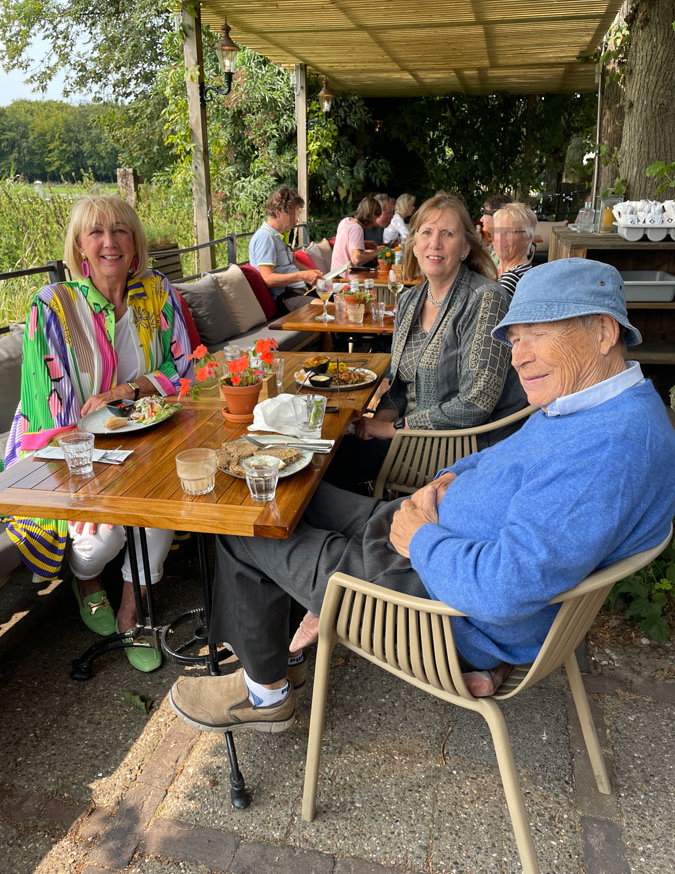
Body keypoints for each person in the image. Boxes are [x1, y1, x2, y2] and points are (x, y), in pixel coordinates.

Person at [169, 257, 675, 734]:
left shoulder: (612, 448)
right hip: (424, 538)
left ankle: (263, 694)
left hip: (431, 598)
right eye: (515, 339)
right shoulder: (591, 404)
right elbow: (496, 457)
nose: (518, 358)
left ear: (604, 332)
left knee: (242, 522)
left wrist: (422, 538)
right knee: (283, 490)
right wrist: (441, 482)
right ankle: (285, 655)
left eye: (537, 336)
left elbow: (502, 589)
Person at [3, 195, 193, 671]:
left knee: (163, 501)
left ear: (135, 243)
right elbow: (47, 407)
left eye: (120, 231)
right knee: (97, 542)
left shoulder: (156, 290)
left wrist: (127, 388)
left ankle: (133, 607)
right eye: (96, 233)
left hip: (149, 435)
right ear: (80, 247)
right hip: (72, 447)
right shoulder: (53, 306)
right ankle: (85, 580)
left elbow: (184, 362)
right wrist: (83, 483)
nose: (110, 243)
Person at [323, 194, 525, 492]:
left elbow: (476, 403)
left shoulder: (486, 298)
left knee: (322, 469)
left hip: (461, 445)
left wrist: (393, 429)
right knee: (324, 452)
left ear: (465, 248)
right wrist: (377, 424)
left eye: (448, 234)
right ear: (414, 245)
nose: (435, 243)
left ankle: (375, 525)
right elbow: (400, 387)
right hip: (411, 435)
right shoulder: (409, 301)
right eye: (426, 232)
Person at [248, 186, 323, 312]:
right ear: (279, 212)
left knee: (338, 298)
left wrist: (316, 275)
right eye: (293, 214)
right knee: (326, 308)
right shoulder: (265, 238)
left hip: (299, 291)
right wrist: (303, 276)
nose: (296, 220)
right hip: (285, 297)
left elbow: (292, 262)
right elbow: (267, 279)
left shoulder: (279, 235)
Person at [492, 202, 538, 297]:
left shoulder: (511, 280)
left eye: (509, 232)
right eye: (497, 230)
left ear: (527, 238)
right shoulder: (522, 270)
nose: (500, 238)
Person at [331, 197, 381, 268]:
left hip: (336, 274)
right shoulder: (357, 228)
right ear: (371, 215)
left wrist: (363, 243)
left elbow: (345, 244)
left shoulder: (345, 221)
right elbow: (357, 259)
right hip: (346, 277)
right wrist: (377, 252)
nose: (376, 221)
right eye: (376, 217)